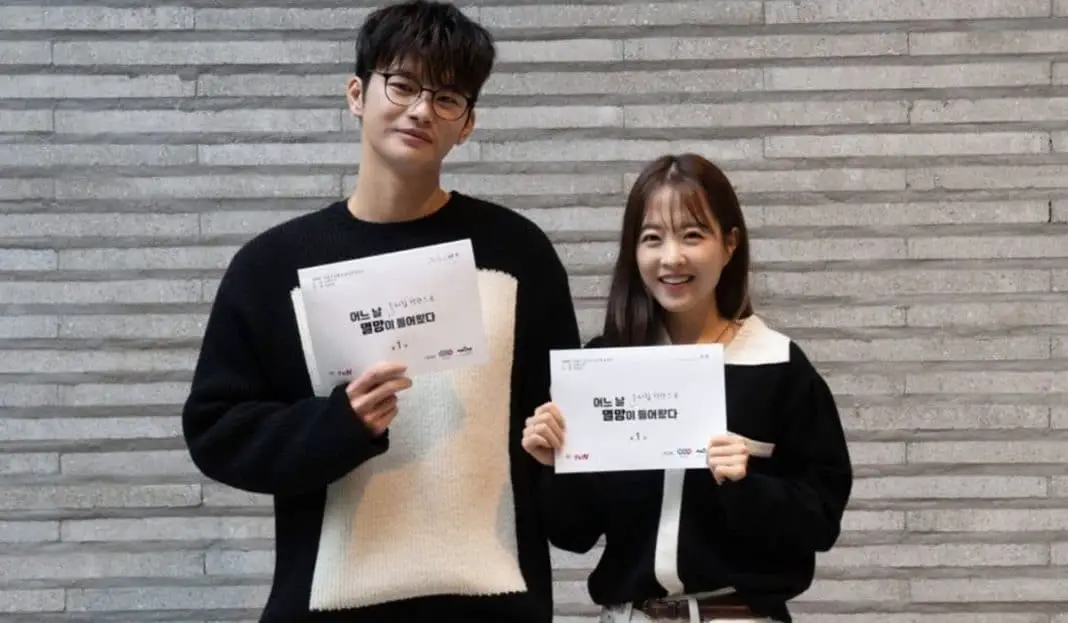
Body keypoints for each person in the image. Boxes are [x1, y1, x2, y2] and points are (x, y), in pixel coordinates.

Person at [181, 2, 580, 621]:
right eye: (401, 85)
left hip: (493, 601)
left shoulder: (516, 252)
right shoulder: (274, 265)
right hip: (327, 603)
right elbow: (217, 431)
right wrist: (340, 424)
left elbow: (562, 428)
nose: (422, 110)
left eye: (448, 97)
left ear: (467, 124)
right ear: (356, 93)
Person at [523, 154, 853, 623]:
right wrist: (553, 464)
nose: (671, 257)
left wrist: (746, 485)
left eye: (692, 235)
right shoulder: (606, 366)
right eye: (652, 238)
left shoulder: (777, 365)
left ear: (730, 243)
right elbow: (572, 533)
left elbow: (820, 520)